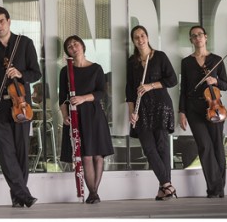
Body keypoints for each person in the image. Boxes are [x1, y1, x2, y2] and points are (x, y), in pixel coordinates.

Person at [0, 6, 41, 208]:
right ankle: (24, 194)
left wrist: (20, 74)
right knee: (5, 153)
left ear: (9, 21)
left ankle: (18, 196)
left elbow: (36, 73)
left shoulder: (25, 44)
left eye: (1, 21)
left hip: (20, 106)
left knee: (21, 153)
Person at [59, 35, 114, 204]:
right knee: (86, 156)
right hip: (76, 116)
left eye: (76, 44)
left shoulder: (96, 68)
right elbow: (62, 97)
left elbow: (101, 93)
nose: (73, 47)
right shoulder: (65, 71)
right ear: (68, 52)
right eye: (69, 46)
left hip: (94, 114)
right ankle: (94, 193)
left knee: (98, 155)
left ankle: (93, 192)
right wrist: (65, 115)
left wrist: (83, 98)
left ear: (82, 46)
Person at [125, 25, 178, 201]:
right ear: (133, 41)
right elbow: (129, 90)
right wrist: (132, 113)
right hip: (142, 110)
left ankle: (164, 187)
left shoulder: (160, 56)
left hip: (161, 106)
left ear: (147, 37)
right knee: (149, 148)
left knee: (162, 147)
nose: (140, 39)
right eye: (136, 37)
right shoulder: (132, 62)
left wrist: (150, 86)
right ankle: (167, 185)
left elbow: (172, 80)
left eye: (142, 35)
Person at [178, 26, 227, 198]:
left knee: (217, 147)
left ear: (206, 37)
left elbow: (226, 85)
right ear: (191, 40)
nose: (197, 38)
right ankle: (216, 187)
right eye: (194, 36)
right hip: (194, 109)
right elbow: (183, 88)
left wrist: (216, 80)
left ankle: (217, 187)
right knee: (205, 146)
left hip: (214, 108)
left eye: (200, 35)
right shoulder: (186, 62)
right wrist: (182, 111)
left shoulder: (217, 59)